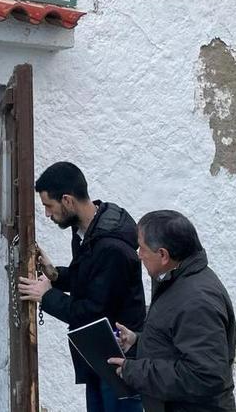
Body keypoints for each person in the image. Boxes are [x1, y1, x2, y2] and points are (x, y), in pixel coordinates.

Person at [17, 162, 147, 412]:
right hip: (98, 354)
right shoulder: (87, 230)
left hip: (119, 360)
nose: (46, 214)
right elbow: (89, 278)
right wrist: (54, 275)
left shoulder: (111, 247)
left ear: (67, 200)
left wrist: (47, 297)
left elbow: (93, 311)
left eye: (48, 206)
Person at [107, 210, 236, 412]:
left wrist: (135, 371)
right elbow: (176, 344)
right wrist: (137, 343)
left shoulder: (197, 300)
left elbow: (206, 375)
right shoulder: (175, 281)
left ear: (163, 255)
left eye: (142, 248)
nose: (138, 255)